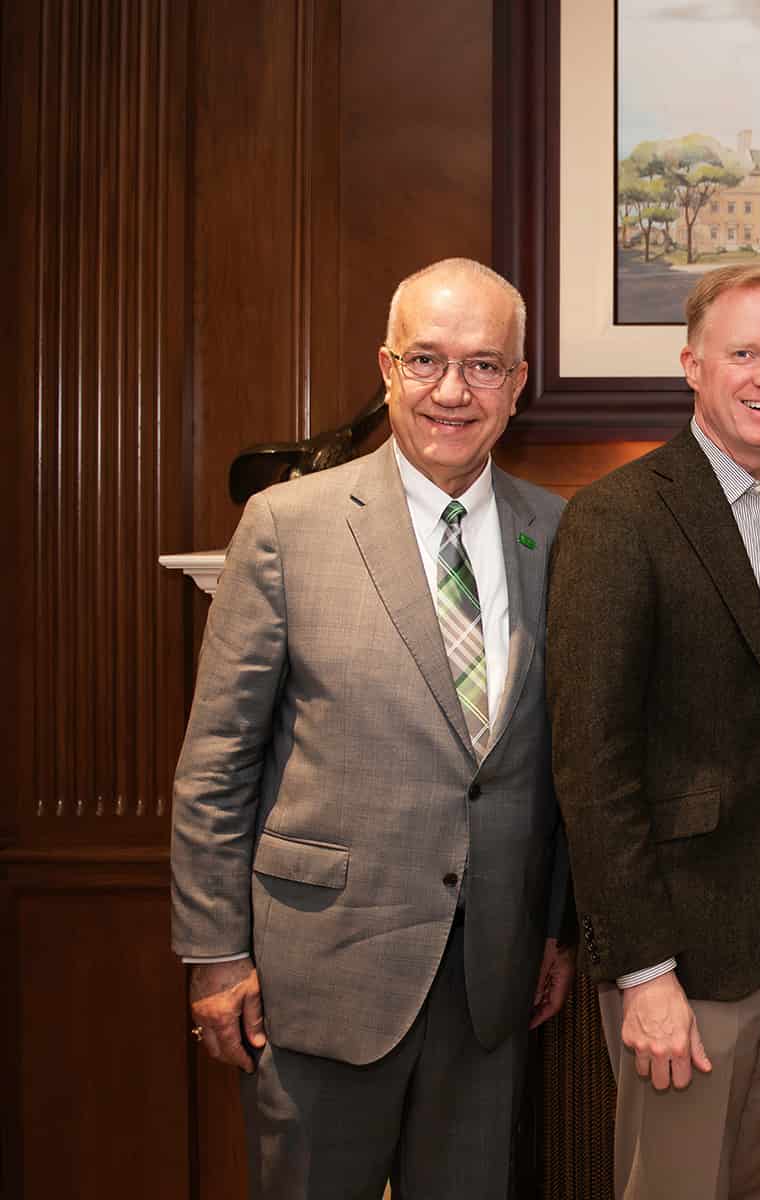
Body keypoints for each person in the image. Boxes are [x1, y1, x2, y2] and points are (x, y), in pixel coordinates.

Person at [170, 257, 575, 1198]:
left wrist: (554, 930)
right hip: (320, 972)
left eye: (483, 365)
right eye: (427, 359)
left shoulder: (557, 532)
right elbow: (215, 764)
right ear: (387, 368)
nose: (451, 390)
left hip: (490, 981)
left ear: (516, 386)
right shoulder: (286, 525)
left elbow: (559, 761)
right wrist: (215, 956)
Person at [547, 265, 760, 1200]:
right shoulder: (618, 516)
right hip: (675, 948)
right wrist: (643, 974)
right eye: (745, 354)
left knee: (754, 1185)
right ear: (691, 365)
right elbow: (591, 769)